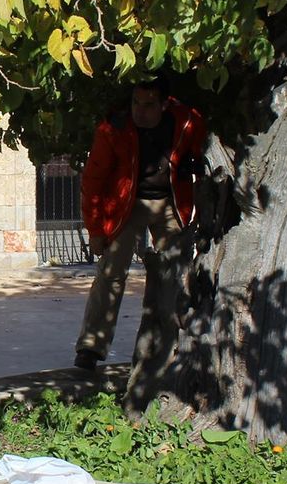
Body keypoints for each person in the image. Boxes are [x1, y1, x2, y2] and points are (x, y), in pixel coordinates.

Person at [74, 78, 208, 372]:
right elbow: (93, 180)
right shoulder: (115, 128)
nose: (140, 111)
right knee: (111, 272)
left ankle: (166, 344)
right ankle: (91, 347)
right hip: (126, 205)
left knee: (174, 272)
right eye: (136, 103)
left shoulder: (187, 122)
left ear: (164, 104)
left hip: (169, 202)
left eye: (149, 104)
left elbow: (199, 157)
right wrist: (95, 230)